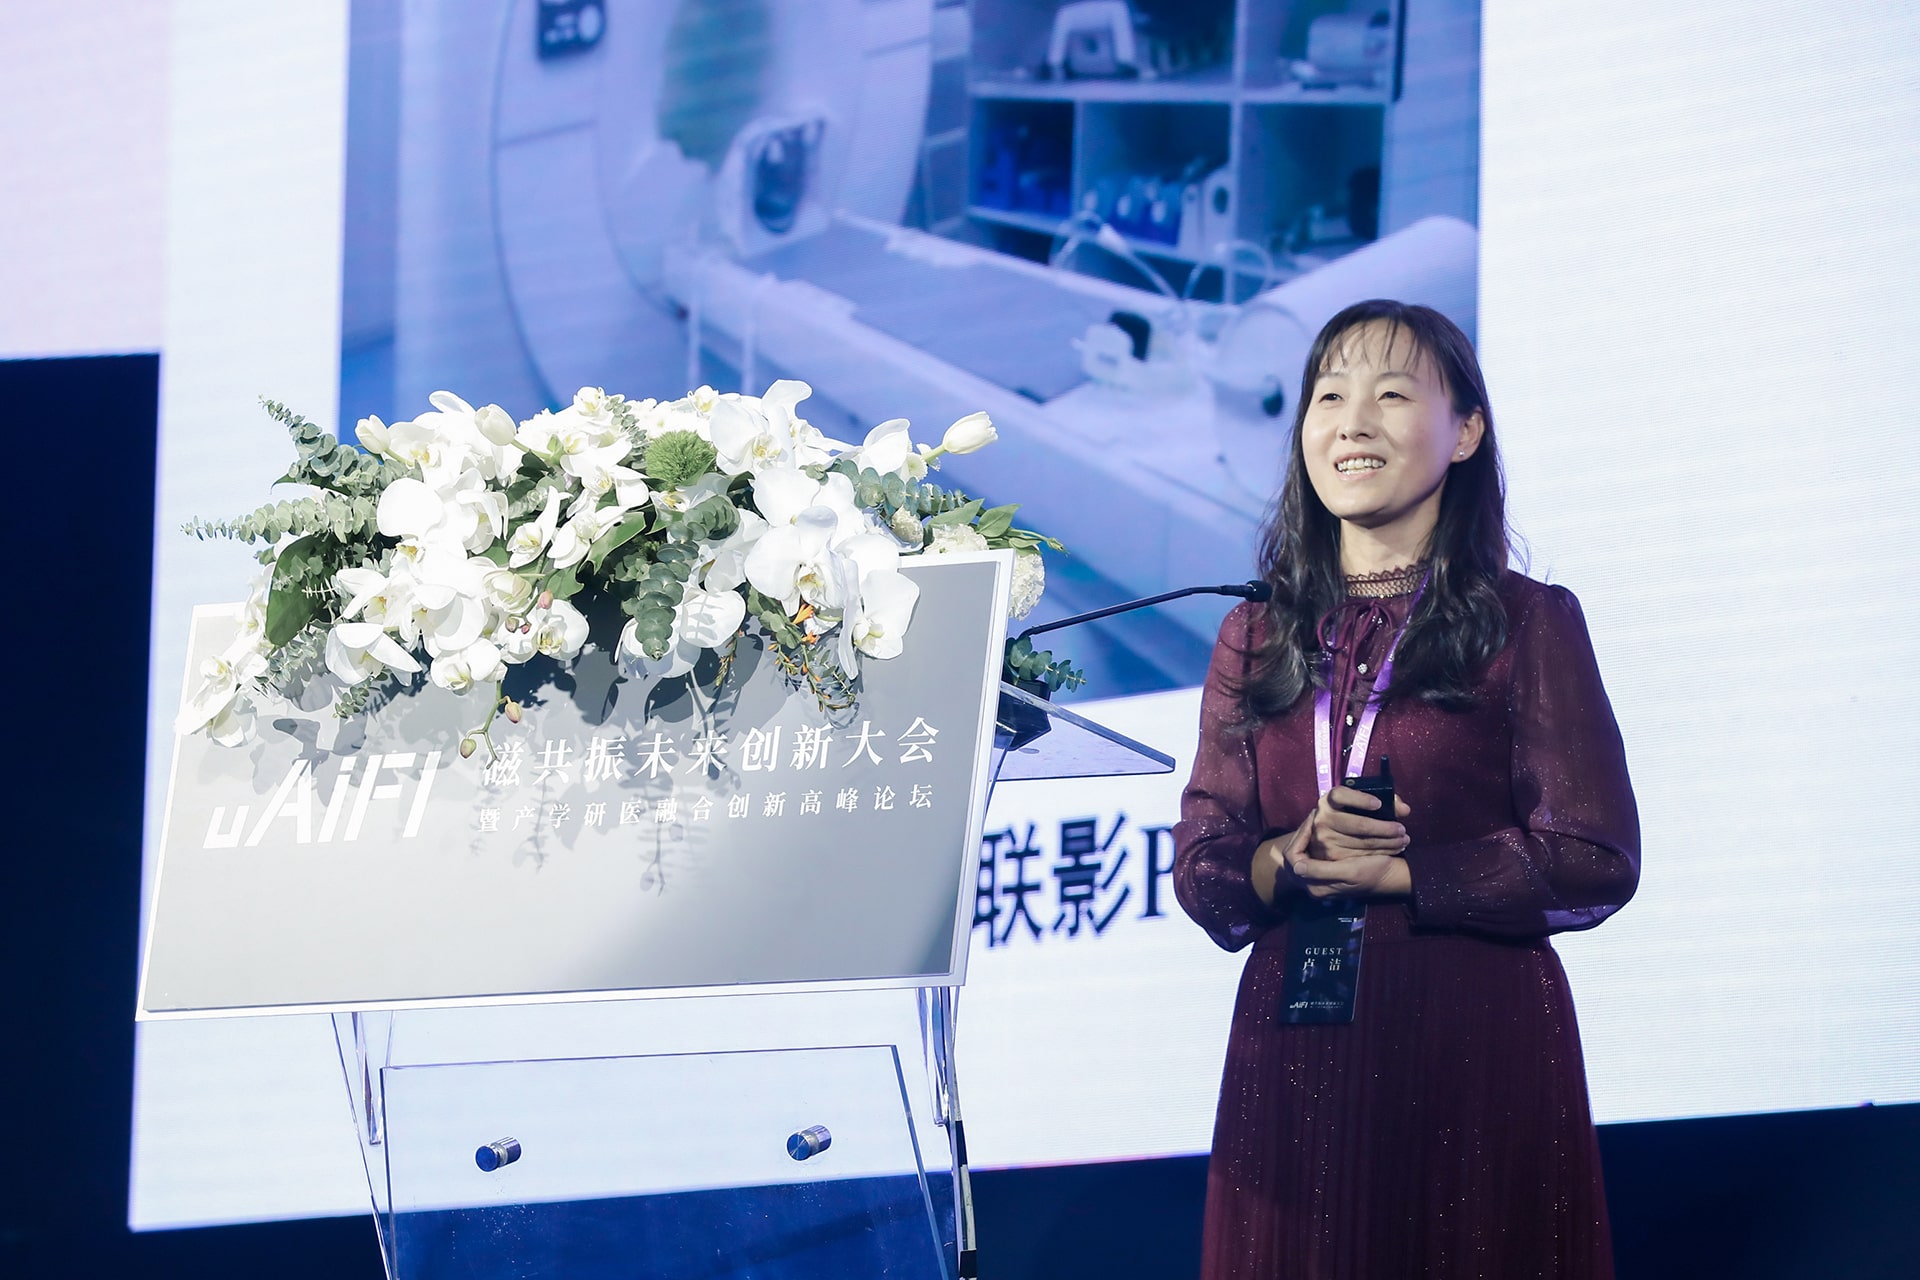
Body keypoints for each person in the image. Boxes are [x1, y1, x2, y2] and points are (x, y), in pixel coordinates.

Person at [1173, 299, 1640, 1278]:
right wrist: (1285, 858)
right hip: (1293, 1042)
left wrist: (1404, 876)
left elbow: (1593, 853)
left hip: (1471, 1034)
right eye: (1328, 396)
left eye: (1391, 395)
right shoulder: (1254, 635)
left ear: (1464, 431)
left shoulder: (1526, 619)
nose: (1353, 422)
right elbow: (1206, 865)